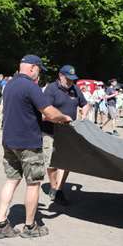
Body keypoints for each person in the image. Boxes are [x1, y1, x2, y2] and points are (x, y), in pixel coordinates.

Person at [0, 55, 72, 239]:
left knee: (11, 180)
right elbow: (49, 112)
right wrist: (64, 117)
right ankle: (30, 226)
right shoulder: (30, 86)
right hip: (28, 142)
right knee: (33, 183)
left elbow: (25, 110)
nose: (39, 74)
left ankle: (1, 223)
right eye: (39, 70)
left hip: (9, 141)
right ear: (32, 68)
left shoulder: (9, 84)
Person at [42, 65, 89, 205]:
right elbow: (44, 113)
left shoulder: (75, 89)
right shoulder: (51, 89)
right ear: (60, 76)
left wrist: (84, 115)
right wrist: (61, 118)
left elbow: (85, 104)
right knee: (51, 163)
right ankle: (53, 186)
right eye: (68, 79)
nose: (70, 82)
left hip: (68, 133)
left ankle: (59, 190)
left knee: (67, 162)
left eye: (72, 79)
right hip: (50, 131)